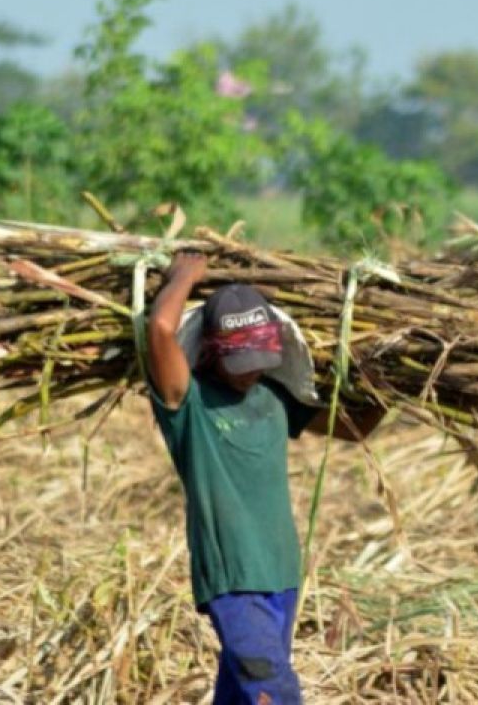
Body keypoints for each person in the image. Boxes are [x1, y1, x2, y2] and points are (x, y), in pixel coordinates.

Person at [146, 251, 381, 705]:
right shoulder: (187, 402)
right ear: (212, 351)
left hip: (282, 573)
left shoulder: (273, 396)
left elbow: (356, 430)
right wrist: (183, 277)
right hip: (233, 578)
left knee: (241, 694)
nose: (251, 369)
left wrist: (387, 386)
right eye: (240, 360)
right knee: (273, 690)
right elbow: (159, 330)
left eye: (258, 358)